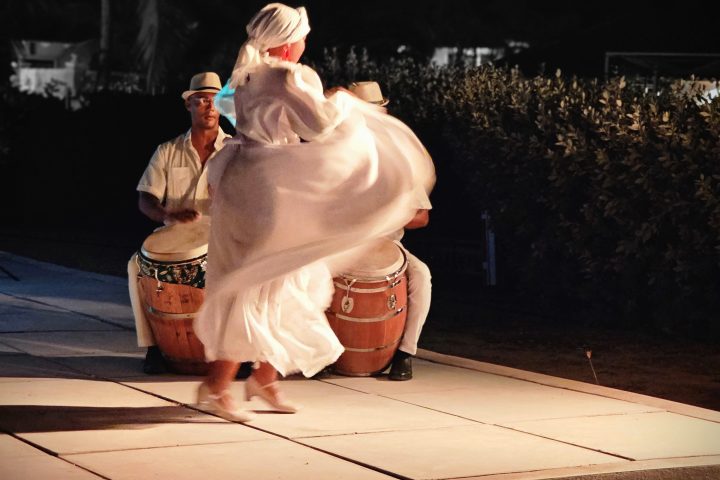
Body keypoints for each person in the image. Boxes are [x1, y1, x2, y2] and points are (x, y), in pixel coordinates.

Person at [193, 3, 435, 422]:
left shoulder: (247, 75)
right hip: (270, 184)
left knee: (283, 276)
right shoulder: (289, 75)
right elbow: (319, 128)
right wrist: (343, 102)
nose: (307, 41)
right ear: (290, 41)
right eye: (304, 34)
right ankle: (218, 385)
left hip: (244, 177)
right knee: (263, 280)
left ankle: (264, 378)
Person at [127, 72, 231, 374]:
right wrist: (166, 215)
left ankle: (242, 352)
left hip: (225, 237)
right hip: (176, 237)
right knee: (136, 266)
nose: (208, 106)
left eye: (214, 101)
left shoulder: (236, 151)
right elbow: (145, 198)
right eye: (201, 100)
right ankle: (154, 346)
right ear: (189, 105)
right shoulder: (167, 151)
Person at [347, 81, 433, 381]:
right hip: (340, 243)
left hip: (387, 245)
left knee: (421, 276)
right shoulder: (338, 156)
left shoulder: (400, 160)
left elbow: (421, 216)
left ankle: (405, 353)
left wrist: (390, 216)